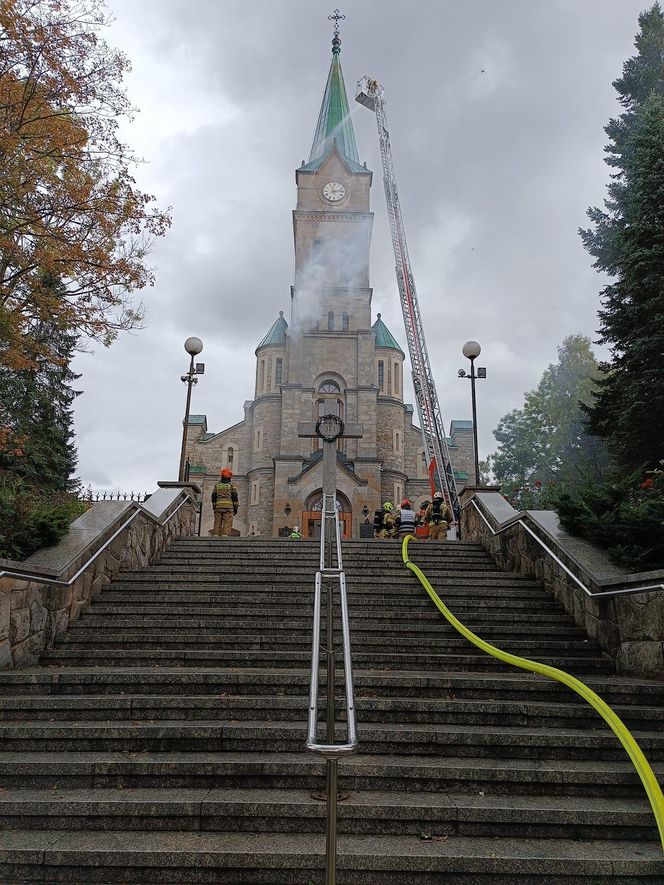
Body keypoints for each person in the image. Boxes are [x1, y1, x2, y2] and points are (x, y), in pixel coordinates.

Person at [211, 467, 239, 538]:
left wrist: (214, 506)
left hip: (218, 506)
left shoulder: (217, 485)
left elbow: (213, 497)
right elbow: (235, 497)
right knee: (227, 522)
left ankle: (216, 534)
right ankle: (225, 535)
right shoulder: (231, 486)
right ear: (230, 477)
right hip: (229, 507)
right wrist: (236, 508)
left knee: (217, 521)